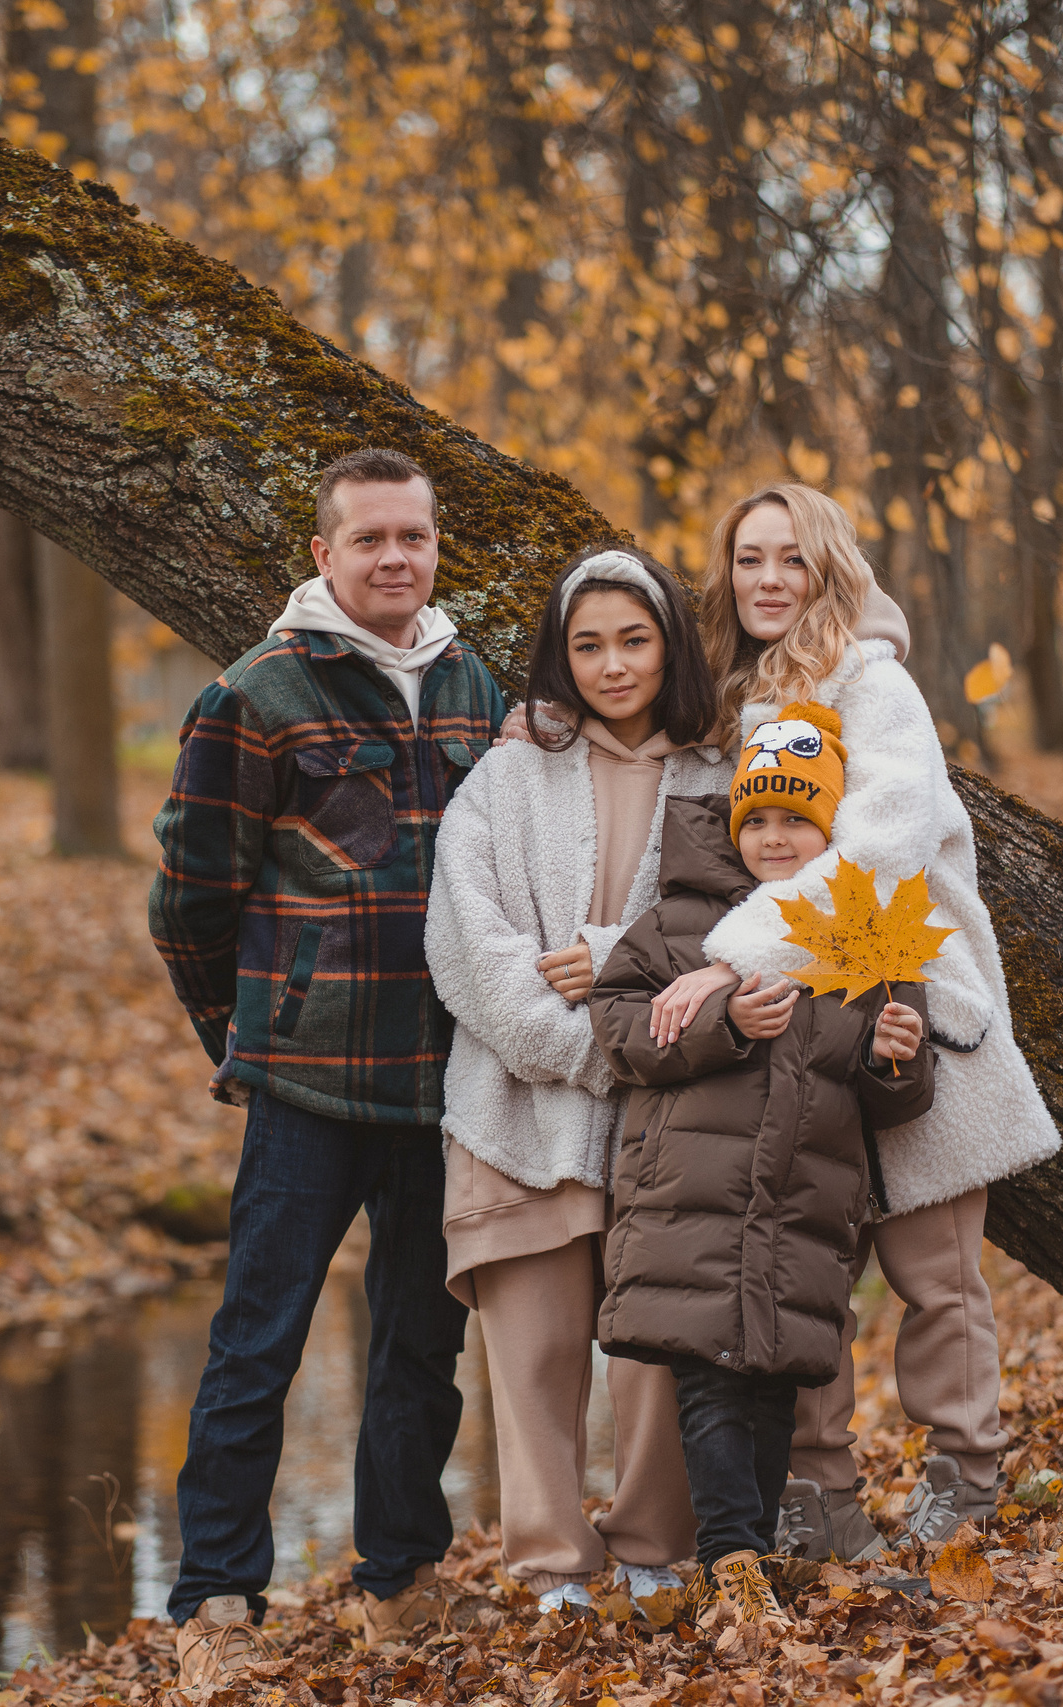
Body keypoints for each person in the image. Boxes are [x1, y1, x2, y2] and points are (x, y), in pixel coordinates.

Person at [645, 482, 1061, 1561]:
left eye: (792, 558)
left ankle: (967, 1473)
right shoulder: (728, 701)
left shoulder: (875, 686)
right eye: (749, 559)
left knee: (934, 1271)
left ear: (829, 571)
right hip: (790, 1025)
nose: (768, 579)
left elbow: (880, 848)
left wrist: (732, 959)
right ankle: (819, 1492)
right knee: (803, 1264)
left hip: (901, 996)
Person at [148, 447, 508, 1685]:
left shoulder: (472, 685)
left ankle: (399, 1578)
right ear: (324, 553)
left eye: (412, 537)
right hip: (305, 1090)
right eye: (369, 539)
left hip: (443, 1084)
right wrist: (249, 1038)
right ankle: (213, 1600)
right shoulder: (256, 693)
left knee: (420, 1345)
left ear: (433, 547)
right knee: (259, 1341)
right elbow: (189, 902)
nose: (394, 558)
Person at [421, 546, 724, 1622]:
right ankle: (553, 1567)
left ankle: (654, 1547)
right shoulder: (508, 775)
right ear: (561, 656)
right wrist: (580, 1046)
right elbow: (467, 939)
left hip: (670, 1110)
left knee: (656, 1347)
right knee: (536, 1348)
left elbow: (743, 930)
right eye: (588, 645)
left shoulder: (720, 776)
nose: (613, 665)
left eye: (634, 640)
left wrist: (612, 967)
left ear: (671, 645)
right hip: (518, 1106)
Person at [587, 701, 935, 1625]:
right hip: (693, 1198)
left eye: (796, 819)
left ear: (832, 827)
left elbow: (898, 1094)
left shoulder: (860, 933)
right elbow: (620, 1027)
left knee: (773, 1385)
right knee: (709, 1380)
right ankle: (730, 1557)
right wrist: (724, 1020)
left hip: (798, 1205)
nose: (775, 838)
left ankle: (755, 1551)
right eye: (759, 820)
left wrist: (895, 1055)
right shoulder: (678, 923)